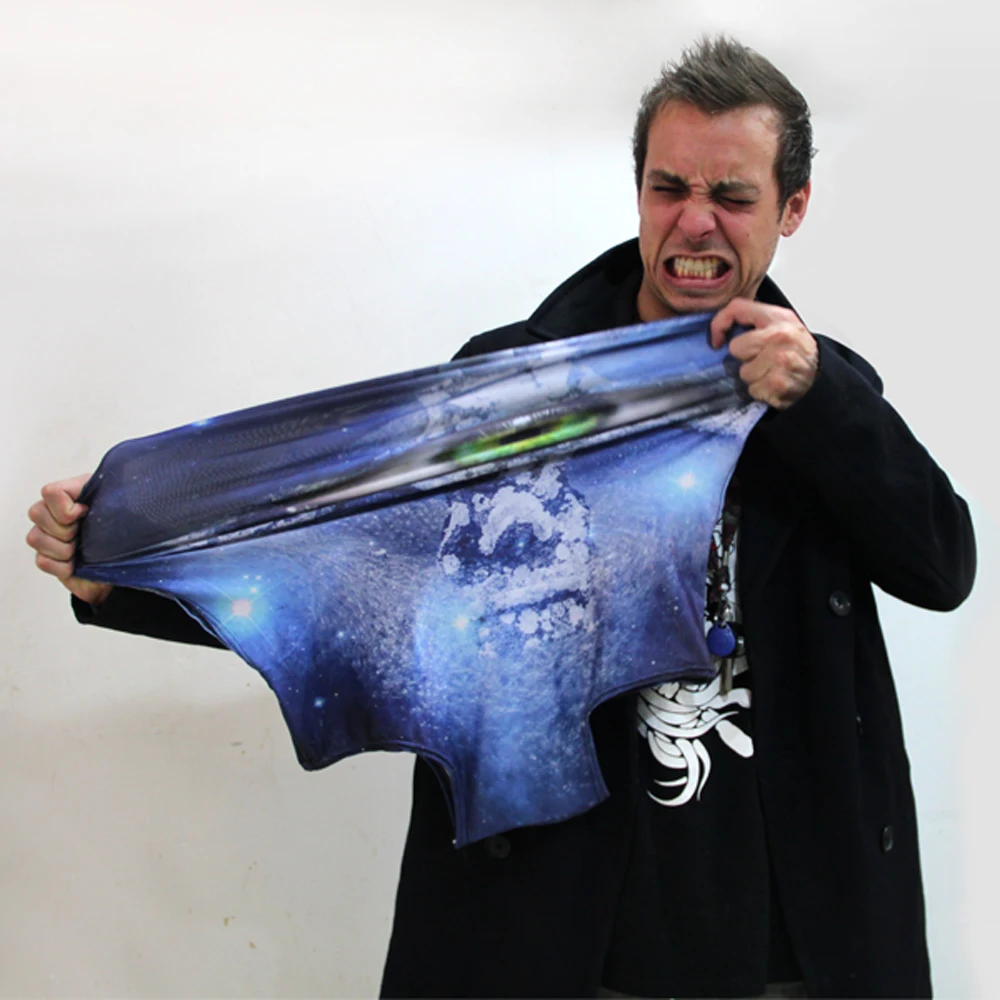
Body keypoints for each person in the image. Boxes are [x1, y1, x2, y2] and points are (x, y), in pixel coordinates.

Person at [27, 36, 975, 999]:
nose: (695, 221)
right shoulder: (513, 388)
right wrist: (124, 574)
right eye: (668, 187)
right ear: (639, 191)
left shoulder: (821, 393)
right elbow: (346, 559)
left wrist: (818, 400)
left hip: (793, 947)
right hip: (561, 924)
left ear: (792, 207)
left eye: (732, 195)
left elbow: (943, 567)